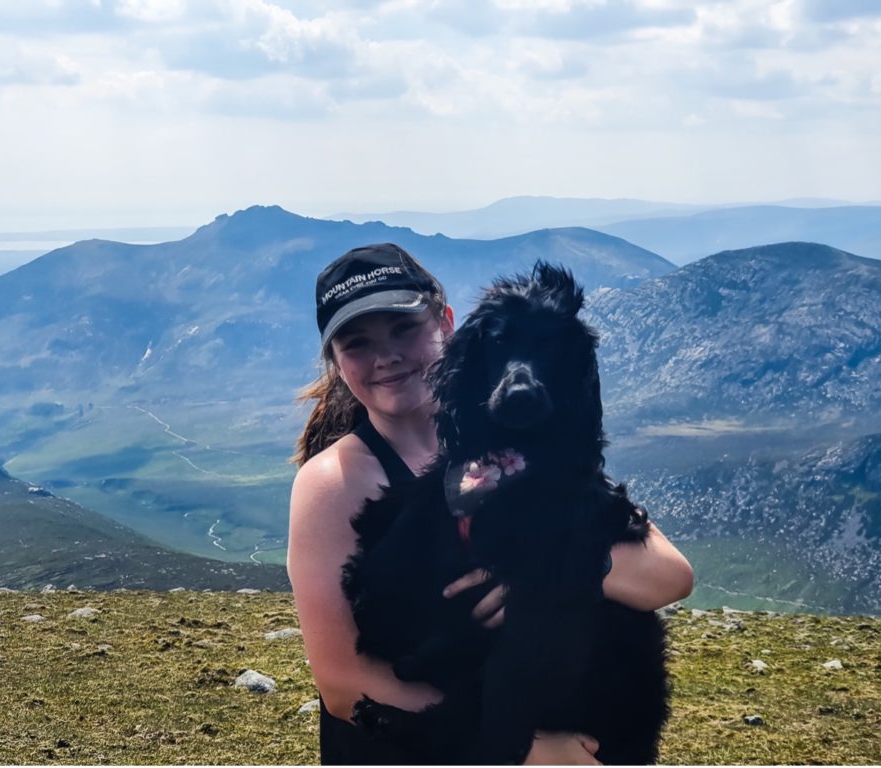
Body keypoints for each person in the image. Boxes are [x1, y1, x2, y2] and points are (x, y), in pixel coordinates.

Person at [287, 243, 694, 765]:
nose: (385, 356)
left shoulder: (518, 441)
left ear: (446, 324)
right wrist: (519, 746)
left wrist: (543, 574)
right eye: (358, 343)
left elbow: (670, 576)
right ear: (337, 363)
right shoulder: (334, 482)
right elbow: (344, 685)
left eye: (403, 329)